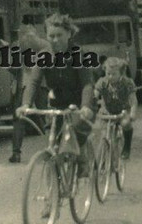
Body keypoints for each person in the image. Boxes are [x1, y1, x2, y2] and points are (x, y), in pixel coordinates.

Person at [13, 14, 96, 177]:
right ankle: (57, 185)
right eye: (51, 36)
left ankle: (82, 157)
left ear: (69, 34)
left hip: (80, 104)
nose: (55, 39)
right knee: (55, 140)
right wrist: (25, 104)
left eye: (59, 35)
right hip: (57, 103)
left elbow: (87, 84)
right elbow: (33, 82)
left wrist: (86, 106)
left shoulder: (78, 54)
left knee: (77, 126)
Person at [7, 24, 51, 163]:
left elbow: (11, 67)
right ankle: (51, 150)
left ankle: (16, 153)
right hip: (42, 85)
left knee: (19, 119)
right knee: (46, 119)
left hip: (25, 85)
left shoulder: (17, 45)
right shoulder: (45, 44)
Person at [94, 54, 137, 159]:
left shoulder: (127, 83)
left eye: (114, 74)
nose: (110, 77)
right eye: (108, 73)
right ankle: (101, 156)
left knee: (126, 123)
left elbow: (133, 100)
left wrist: (133, 112)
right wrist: (92, 101)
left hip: (122, 112)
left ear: (121, 73)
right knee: (98, 132)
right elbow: (95, 94)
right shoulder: (102, 82)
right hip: (106, 112)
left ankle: (126, 147)